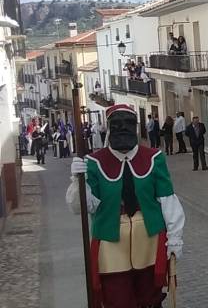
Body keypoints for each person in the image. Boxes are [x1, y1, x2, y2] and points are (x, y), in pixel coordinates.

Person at [65, 104, 184, 307]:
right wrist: (78, 181)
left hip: (149, 239)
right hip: (110, 244)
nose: (123, 128)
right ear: (109, 127)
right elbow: (81, 207)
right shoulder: (94, 162)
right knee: (116, 297)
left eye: (128, 123)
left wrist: (174, 239)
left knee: (150, 298)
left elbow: (168, 200)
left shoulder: (154, 158)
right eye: (116, 124)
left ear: (136, 127)